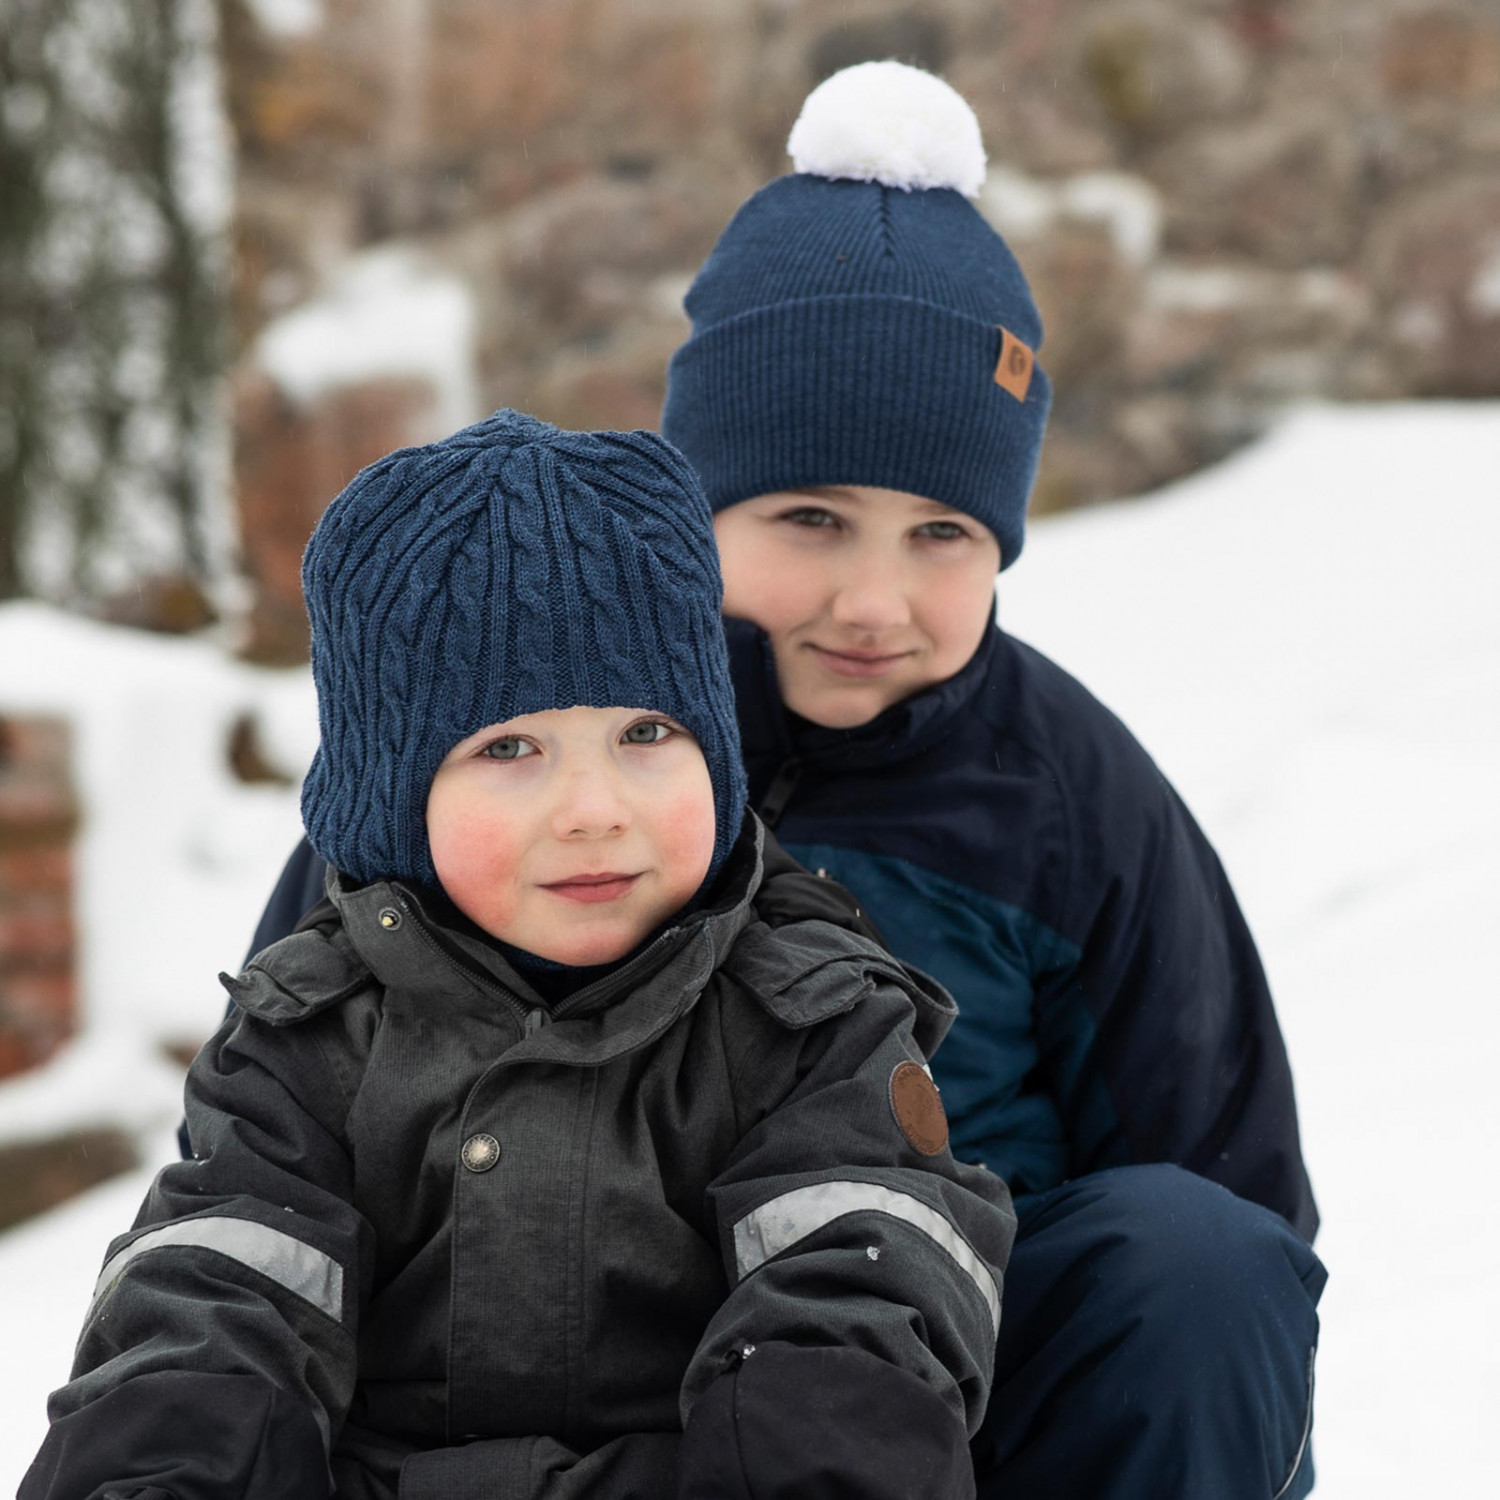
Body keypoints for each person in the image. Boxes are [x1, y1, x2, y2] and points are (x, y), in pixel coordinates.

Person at [222, 63, 1328, 1499]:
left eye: (943, 535)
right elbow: (279, 1114)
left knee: (1198, 1260)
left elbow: (1234, 1216)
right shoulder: (495, 730)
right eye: (811, 518)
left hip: (923, 1412)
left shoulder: (1066, 796)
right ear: (701, 503)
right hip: (533, 1398)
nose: (875, 600)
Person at [22, 411, 1017, 1500]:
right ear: (395, 800)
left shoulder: (809, 1013)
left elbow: (860, 1296)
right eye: (509, 749)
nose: (594, 809)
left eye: (646, 735)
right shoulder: (306, 1035)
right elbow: (218, 1300)